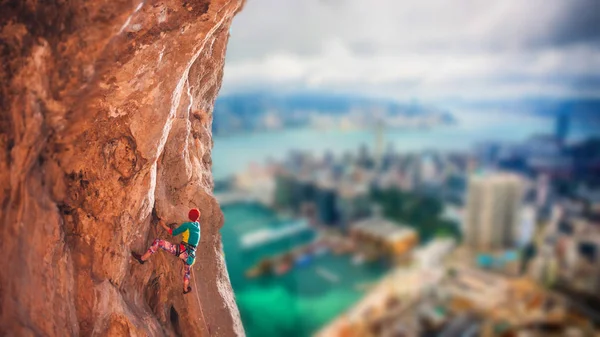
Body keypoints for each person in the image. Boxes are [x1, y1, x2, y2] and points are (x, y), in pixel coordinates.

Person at [132, 208, 201, 294]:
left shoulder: (187, 225)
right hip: (192, 257)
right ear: (197, 218)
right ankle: (185, 289)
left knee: (158, 242)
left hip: (183, 251)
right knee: (187, 270)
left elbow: (173, 232)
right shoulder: (198, 226)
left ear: (188, 216)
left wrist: (163, 225)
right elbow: (196, 221)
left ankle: (142, 259)